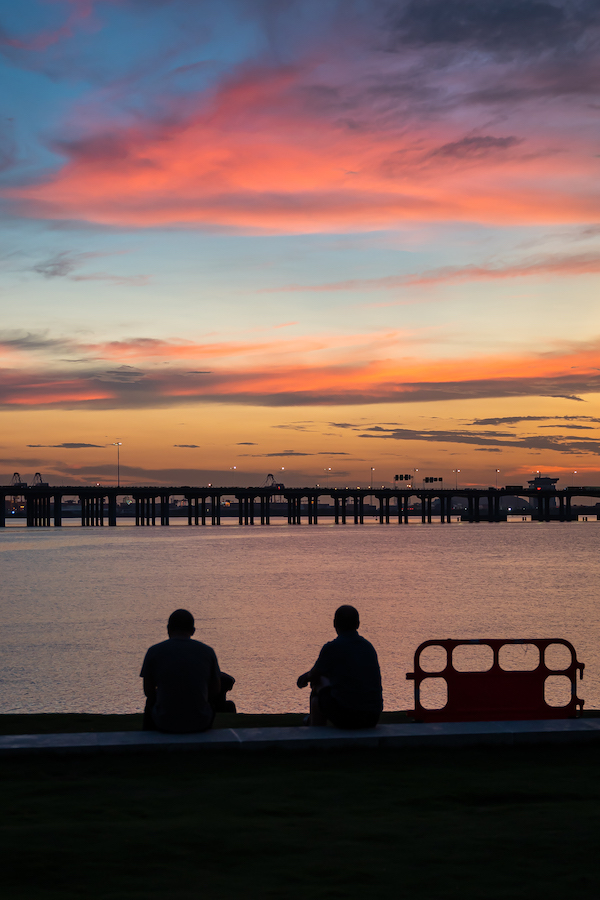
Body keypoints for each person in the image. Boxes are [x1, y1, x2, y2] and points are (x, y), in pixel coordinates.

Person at [140, 608, 234, 733]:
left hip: (164, 722)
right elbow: (215, 690)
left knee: (150, 703)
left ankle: (148, 737)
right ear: (193, 630)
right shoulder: (207, 652)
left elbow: (149, 692)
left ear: (168, 628)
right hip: (200, 722)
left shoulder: (154, 651)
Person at [297, 605, 383, 728]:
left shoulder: (332, 648)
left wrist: (304, 679)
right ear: (358, 624)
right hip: (372, 717)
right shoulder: (368, 647)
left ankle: (314, 727)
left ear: (334, 624)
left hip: (347, 717)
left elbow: (314, 675)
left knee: (318, 685)